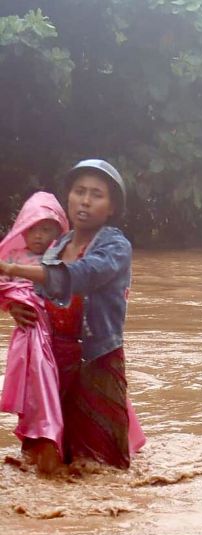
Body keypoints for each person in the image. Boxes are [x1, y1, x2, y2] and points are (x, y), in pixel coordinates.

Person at [1, 160, 145, 469]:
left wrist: (12, 268)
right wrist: (16, 308)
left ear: (111, 207)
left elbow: (81, 275)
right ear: (68, 198)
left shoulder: (116, 246)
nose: (86, 201)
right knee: (53, 461)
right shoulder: (58, 245)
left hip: (97, 361)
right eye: (80, 192)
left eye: (97, 194)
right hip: (55, 363)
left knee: (103, 465)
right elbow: (36, 295)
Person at [0, 192, 69, 474]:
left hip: (61, 337)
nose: (38, 235)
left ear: (58, 232)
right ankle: (37, 447)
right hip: (29, 336)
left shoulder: (63, 259)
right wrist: (11, 303)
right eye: (33, 228)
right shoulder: (13, 257)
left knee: (61, 390)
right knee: (35, 386)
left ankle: (55, 447)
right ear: (22, 229)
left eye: (46, 229)